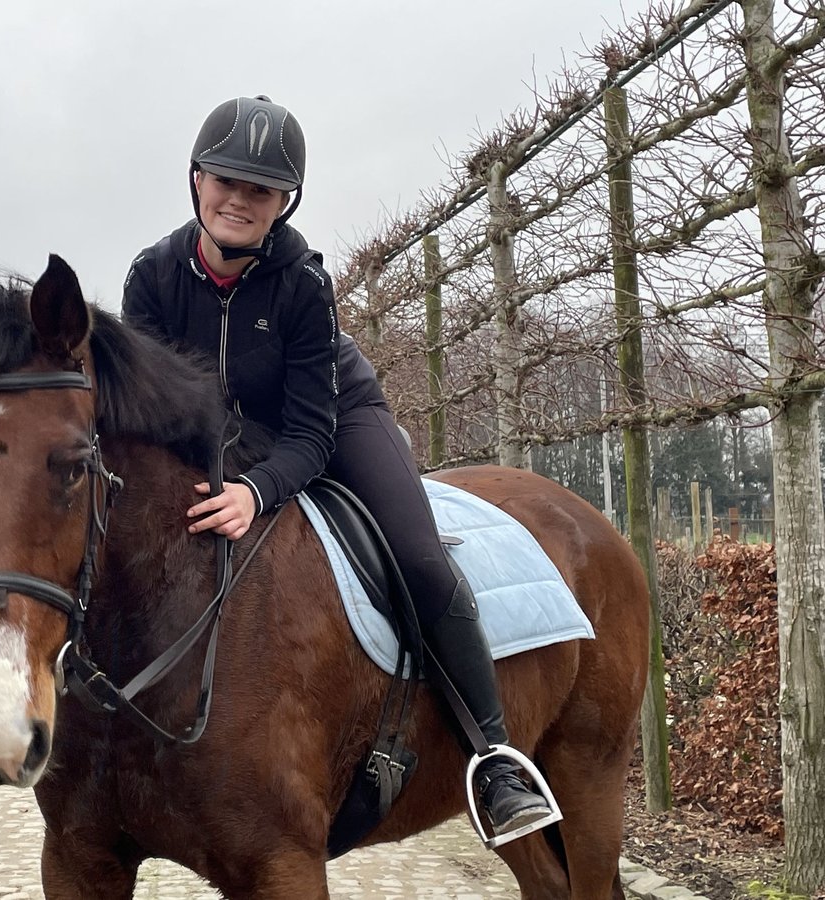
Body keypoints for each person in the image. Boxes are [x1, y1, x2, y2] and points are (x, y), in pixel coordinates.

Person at [121, 95, 552, 840]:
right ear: (195, 180)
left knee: (418, 556)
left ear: (285, 202)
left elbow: (312, 435)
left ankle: (496, 755)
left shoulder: (302, 282)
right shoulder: (152, 279)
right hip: (214, 435)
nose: (240, 200)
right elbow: (147, 423)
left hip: (329, 418)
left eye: (261, 190)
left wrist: (256, 491)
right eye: (227, 181)